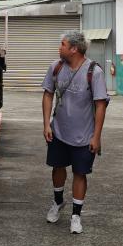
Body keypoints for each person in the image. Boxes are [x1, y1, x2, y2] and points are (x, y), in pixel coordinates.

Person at [41, 30, 109, 234]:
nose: (59, 48)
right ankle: (58, 202)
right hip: (58, 132)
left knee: (80, 173)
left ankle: (76, 216)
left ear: (74, 49)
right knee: (57, 168)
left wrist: (96, 137)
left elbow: (100, 106)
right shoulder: (56, 67)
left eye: (62, 44)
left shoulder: (93, 72)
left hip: (84, 136)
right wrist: (46, 124)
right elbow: (47, 95)